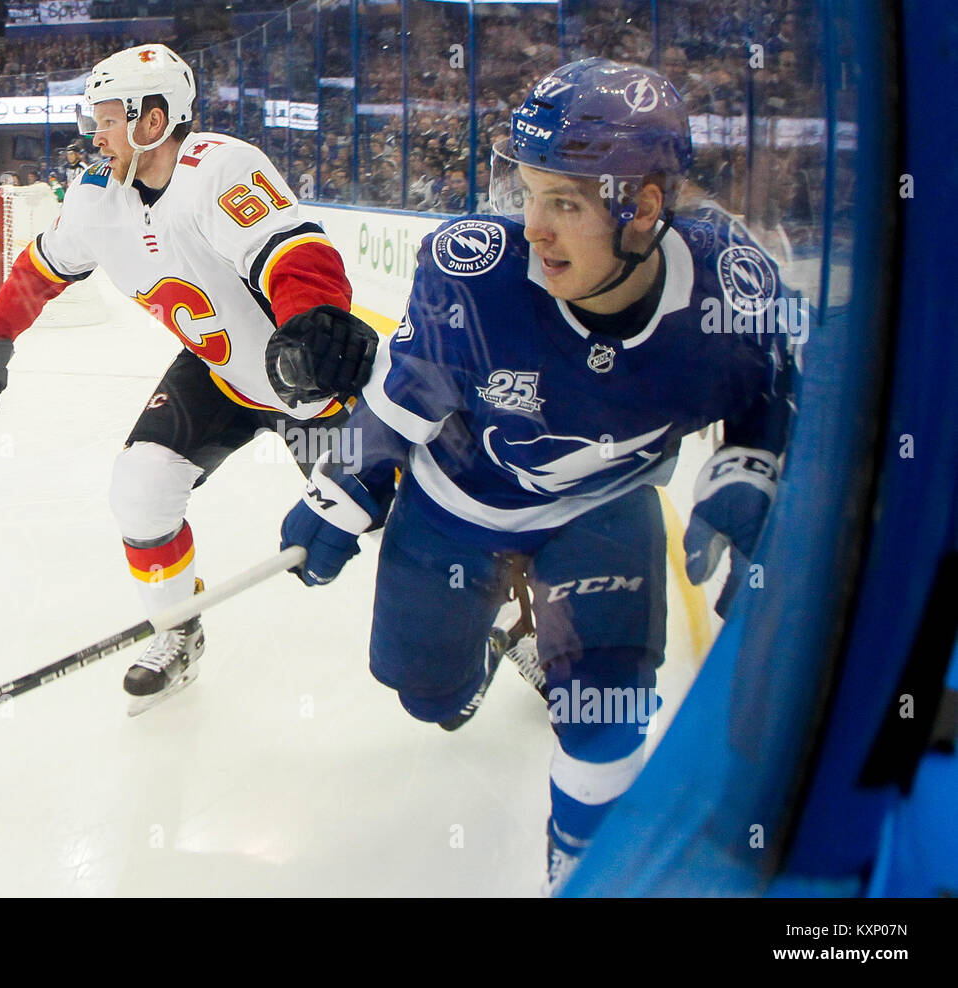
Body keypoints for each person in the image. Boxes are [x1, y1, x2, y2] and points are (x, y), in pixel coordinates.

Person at [278, 58, 797, 894]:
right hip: (457, 504)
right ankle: (487, 647)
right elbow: (400, 405)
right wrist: (344, 489)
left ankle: (582, 873)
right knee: (425, 698)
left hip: (599, 510)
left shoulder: (727, 290)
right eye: (529, 193)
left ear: (644, 209)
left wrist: (753, 469)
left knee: (608, 718)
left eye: (565, 202)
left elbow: (771, 388)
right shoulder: (476, 277)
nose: (536, 227)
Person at [0, 44, 376, 716]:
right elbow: (43, 267)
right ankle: (178, 631)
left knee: (393, 521)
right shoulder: (96, 200)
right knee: (139, 490)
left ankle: (503, 625)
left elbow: (295, 252)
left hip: (303, 382)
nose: (94, 134)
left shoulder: (219, 168)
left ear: (152, 121)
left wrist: (313, 321)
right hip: (218, 376)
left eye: (108, 119)